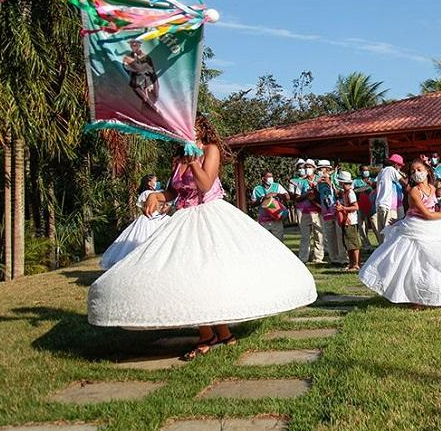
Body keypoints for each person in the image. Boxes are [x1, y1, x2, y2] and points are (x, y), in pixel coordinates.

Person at [88, 116, 317, 360]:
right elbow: (174, 190)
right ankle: (218, 333)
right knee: (188, 275)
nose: (187, 131)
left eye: (192, 127)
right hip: (184, 219)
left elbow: (206, 184)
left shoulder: (210, 150)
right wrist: (157, 196)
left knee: (208, 273)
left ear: (201, 129)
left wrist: (194, 161)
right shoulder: (178, 158)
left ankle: (214, 334)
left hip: (210, 217)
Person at [359, 160, 441, 308]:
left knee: (436, 261)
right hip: (416, 227)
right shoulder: (414, 191)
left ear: (427, 170)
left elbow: (432, 210)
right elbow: (426, 214)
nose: (416, 173)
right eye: (413, 171)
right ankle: (416, 298)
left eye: (419, 169)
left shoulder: (433, 189)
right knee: (415, 263)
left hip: (430, 228)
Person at [100, 174, 171, 270]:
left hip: (158, 218)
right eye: (155, 181)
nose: (157, 183)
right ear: (149, 183)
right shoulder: (148, 193)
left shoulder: (156, 193)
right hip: (150, 220)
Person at [317, 160, 348, 265]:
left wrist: (330, 183)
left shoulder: (336, 178)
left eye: (322, 168)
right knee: (330, 237)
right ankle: (334, 258)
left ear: (328, 169)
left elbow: (340, 193)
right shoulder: (318, 182)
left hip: (337, 211)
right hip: (326, 213)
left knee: (340, 236)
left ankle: (343, 258)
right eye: (319, 169)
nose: (320, 171)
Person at [295, 159, 324, 263]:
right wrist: (306, 194)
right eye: (306, 167)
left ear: (314, 168)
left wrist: (315, 193)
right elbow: (297, 197)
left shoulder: (320, 180)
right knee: (305, 236)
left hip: (318, 211)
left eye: (309, 167)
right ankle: (303, 258)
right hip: (305, 212)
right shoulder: (301, 182)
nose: (307, 169)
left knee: (319, 235)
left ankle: (318, 258)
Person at [374, 154, 407, 243]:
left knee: (384, 235)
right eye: (399, 165)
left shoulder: (382, 172)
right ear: (395, 164)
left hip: (382, 205)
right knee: (390, 235)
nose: (400, 167)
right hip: (389, 206)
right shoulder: (391, 170)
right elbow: (405, 184)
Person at [251, 171, 290, 241]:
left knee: (279, 243)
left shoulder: (277, 186)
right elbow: (252, 204)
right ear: (263, 178)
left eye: (271, 176)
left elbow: (287, 197)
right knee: (265, 243)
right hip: (263, 221)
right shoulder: (257, 189)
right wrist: (262, 199)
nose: (271, 178)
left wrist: (276, 194)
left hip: (276, 220)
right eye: (268, 177)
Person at [123, 39, 159, 112]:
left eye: (135, 44)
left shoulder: (146, 57)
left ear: (139, 45)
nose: (133, 46)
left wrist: (150, 84)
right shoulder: (128, 57)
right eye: (131, 44)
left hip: (148, 84)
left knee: (150, 104)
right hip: (137, 85)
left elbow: (149, 70)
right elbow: (127, 68)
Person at [336, 171, 362, 270]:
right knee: (348, 244)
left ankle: (356, 264)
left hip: (351, 221)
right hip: (346, 221)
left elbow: (356, 207)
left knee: (354, 244)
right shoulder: (344, 193)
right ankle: (351, 263)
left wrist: (343, 209)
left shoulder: (351, 193)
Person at [353, 166, 379, 249]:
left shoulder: (373, 180)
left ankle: (381, 242)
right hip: (361, 206)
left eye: (367, 170)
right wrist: (364, 189)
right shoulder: (356, 181)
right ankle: (366, 244)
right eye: (364, 170)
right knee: (362, 226)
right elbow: (352, 190)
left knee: (375, 224)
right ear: (361, 172)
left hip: (372, 206)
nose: (366, 172)